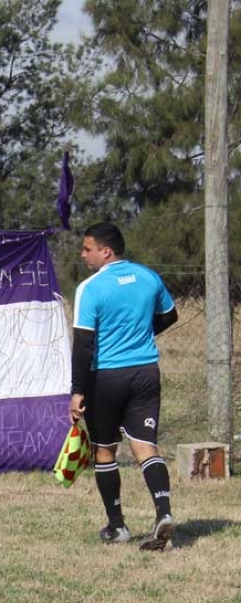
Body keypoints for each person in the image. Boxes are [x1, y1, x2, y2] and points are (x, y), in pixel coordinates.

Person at [69, 222, 178, 551]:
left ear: (106, 251)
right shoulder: (148, 277)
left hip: (107, 378)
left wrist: (77, 391)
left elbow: (83, 345)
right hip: (146, 372)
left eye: (87, 249)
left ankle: (117, 527)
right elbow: (169, 316)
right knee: (146, 447)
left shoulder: (90, 287)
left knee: (105, 449)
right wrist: (139, 335)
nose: (82, 254)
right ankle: (164, 512)